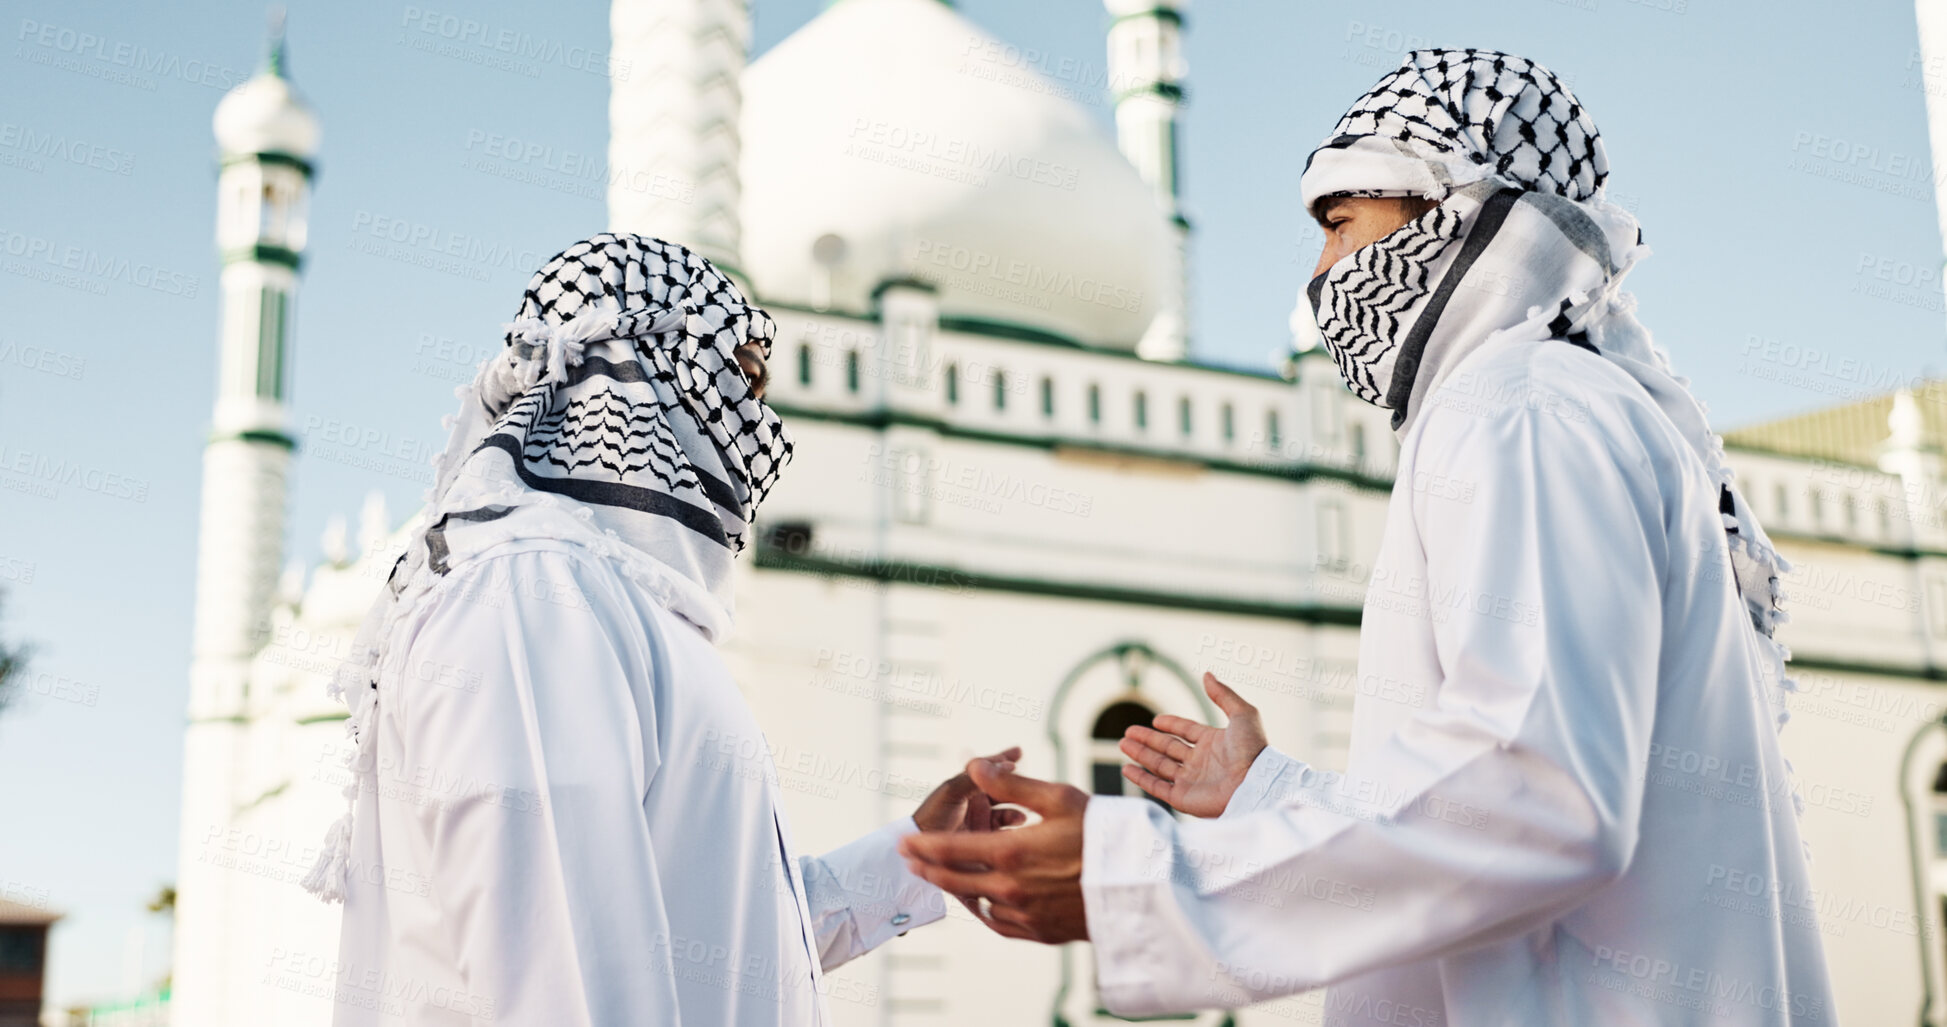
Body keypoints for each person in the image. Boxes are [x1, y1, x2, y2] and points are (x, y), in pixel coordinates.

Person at [901, 49, 1836, 1025]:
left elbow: (1542, 800)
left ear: (1451, 204)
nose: (1322, 279)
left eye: (1339, 225)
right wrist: (1267, 796)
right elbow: (1511, 773)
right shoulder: (1548, 403)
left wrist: (1142, 879)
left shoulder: (1518, 408)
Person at [302, 233, 1020, 1025]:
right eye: (739, 377)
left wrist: (914, 853)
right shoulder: (535, 595)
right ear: (640, 370)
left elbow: (713, 952)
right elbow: (564, 976)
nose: (758, 420)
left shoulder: (616, 603)